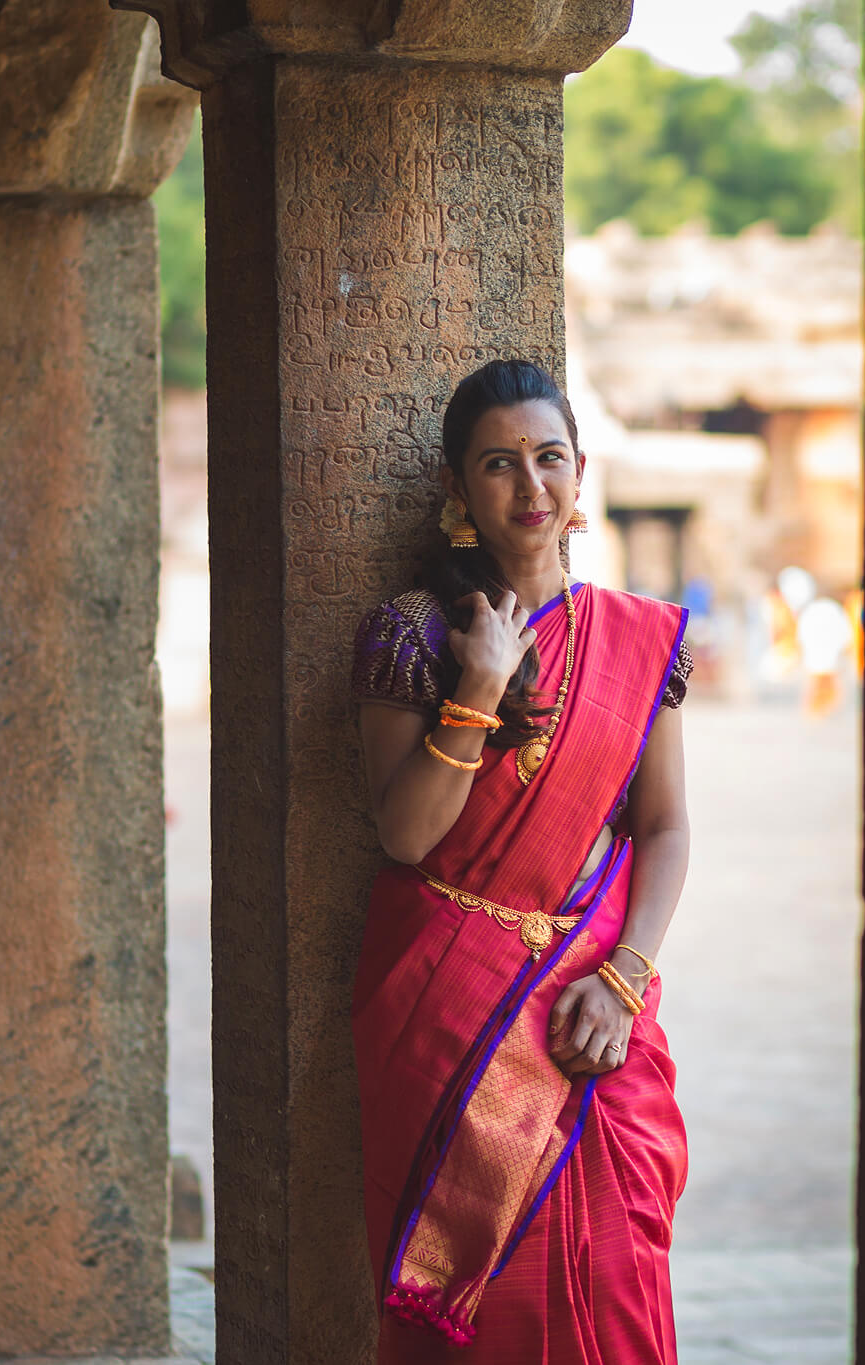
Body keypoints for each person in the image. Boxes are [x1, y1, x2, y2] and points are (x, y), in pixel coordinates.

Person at [350, 358, 693, 1362]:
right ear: (457, 489)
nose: (529, 487)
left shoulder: (638, 643)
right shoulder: (414, 633)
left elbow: (663, 829)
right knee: (476, 1305)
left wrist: (623, 980)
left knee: (615, 1270)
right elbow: (406, 837)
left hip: (593, 1011)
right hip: (450, 1026)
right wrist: (479, 686)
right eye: (497, 465)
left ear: (580, 474)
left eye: (548, 459)